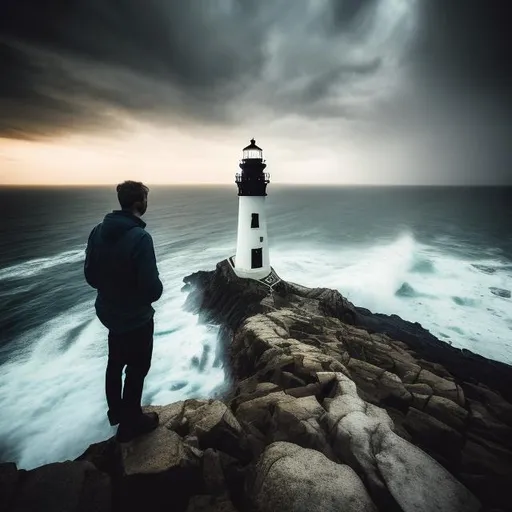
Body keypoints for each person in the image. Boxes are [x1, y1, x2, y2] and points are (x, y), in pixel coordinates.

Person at [84, 180, 163, 443]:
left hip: (109, 313)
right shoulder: (140, 237)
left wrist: (113, 288)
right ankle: (131, 424)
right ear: (140, 203)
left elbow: (90, 276)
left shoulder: (97, 231)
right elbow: (152, 289)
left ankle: (116, 413)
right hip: (135, 317)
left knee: (115, 362)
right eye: (145, 199)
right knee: (138, 367)